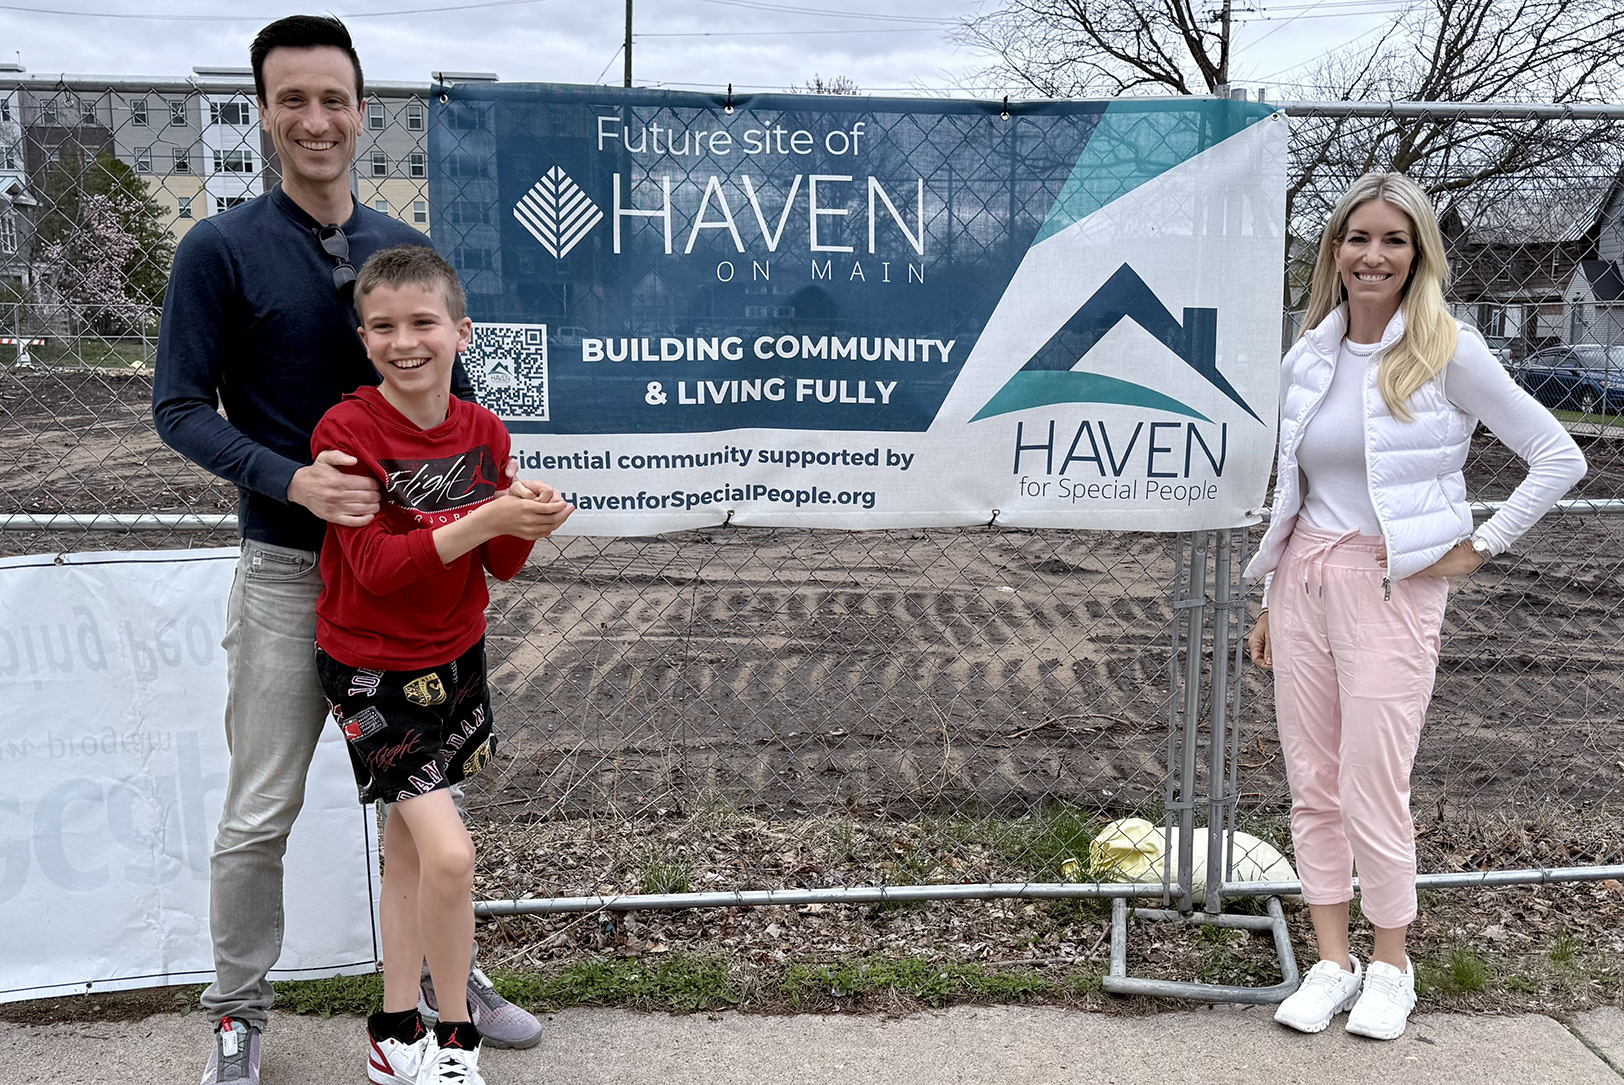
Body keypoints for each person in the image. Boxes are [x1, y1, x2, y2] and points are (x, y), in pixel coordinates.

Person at [152, 16, 546, 1084]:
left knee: (425, 809)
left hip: (414, 583)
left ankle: (437, 990)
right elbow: (179, 408)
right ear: (266, 112)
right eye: (293, 100)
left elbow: (453, 413)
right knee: (263, 806)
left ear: (362, 110)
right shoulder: (219, 249)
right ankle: (236, 1012)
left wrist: (495, 512)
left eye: (334, 98)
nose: (315, 119)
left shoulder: (396, 247)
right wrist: (288, 476)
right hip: (292, 573)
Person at [1244, 172, 1585, 1040]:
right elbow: (1299, 485)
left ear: (1419, 253)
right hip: (1303, 581)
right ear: (1336, 249)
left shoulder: (1446, 349)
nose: (1374, 254)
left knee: (1372, 783)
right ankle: (1331, 959)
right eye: (1359, 237)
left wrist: (1480, 546)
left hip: (1393, 587)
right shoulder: (1308, 354)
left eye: (1395, 240)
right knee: (1312, 782)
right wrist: (1274, 602)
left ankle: (1392, 965)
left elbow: (1557, 456)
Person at [314, 245, 571, 1085]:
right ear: (363, 338)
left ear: (461, 332)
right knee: (452, 854)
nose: (405, 340)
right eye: (383, 326)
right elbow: (378, 570)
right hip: (370, 670)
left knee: (412, 854)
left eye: (423, 322)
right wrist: (491, 510)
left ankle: (394, 1033)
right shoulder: (347, 431)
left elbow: (498, 567)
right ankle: (454, 1039)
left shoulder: (483, 431)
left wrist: (524, 519)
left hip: (456, 659)